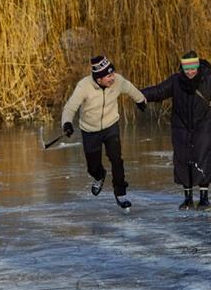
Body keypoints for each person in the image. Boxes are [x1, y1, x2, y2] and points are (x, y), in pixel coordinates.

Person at [141, 50, 211, 211]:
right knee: (182, 159)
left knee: (204, 156)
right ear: (182, 68)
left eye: (192, 69)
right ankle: (187, 198)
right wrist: (139, 95)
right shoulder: (176, 80)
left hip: (205, 124)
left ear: (197, 67)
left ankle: (204, 198)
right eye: (186, 69)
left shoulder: (208, 78)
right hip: (181, 125)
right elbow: (159, 90)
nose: (190, 72)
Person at [61, 55, 147, 209]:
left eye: (112, 73)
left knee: (116, 159)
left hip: (110, 126)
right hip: (90, 130)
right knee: (92, 166)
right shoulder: (84, 86)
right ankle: (99, 176)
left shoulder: (118, 81)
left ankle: (120, 193)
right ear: (99, 79)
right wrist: (67, 123)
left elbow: (131, 88)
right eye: (108, 76)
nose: (112, 78)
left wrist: (140, 100)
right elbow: (70, 107)